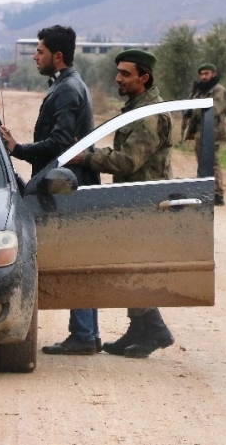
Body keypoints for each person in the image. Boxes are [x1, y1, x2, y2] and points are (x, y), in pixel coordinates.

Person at [0, 25, 102, 355]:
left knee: (74, 258)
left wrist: (17, 148)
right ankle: (87, 333)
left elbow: (60, 142)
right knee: (79, 257)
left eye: (39, 51)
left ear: (56, 56)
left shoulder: (68, 90)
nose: (34, 56)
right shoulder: (66, 85)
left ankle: (85, 334)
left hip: (68, 188)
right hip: (67, 184)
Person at [67, 49, 175, 359]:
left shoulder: (149, 115)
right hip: (134, 201)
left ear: (144, 77)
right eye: (118, 72)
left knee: (134, 267)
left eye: (126, 74)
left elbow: (128, 161)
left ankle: (154, 330)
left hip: (146, 204)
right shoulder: (138, 109)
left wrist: (87, 158)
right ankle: (141, 328)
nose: (118, 78)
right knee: (131, 266)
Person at [185, 63, 226, 206]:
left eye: (207, 73)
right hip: (201, 132)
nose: (203, 77)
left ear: (213, 74)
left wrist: (194, 108)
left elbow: (213, 109)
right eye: (202, 74)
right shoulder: (202, 91)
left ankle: (217, 193)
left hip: (213, 132)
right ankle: (206, 190)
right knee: (203, 163)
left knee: (212, 162)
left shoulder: (218, 91)